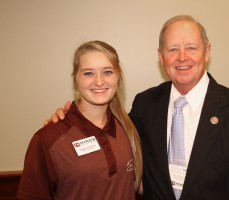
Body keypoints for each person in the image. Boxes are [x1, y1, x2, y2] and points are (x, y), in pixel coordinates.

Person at [45, 15, 229, 199]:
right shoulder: (146, 104)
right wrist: (70, 118)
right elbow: (109, 128)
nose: (182, 57)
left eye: (191, 47)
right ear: (161, 56)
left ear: (207, 52)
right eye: (172, 49)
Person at [17, 40, 142, 200]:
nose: (99, 81)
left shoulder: (129, 129)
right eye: (88, 73)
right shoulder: (48, 139)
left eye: (107, 72)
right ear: (75, 79)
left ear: (118, 77)